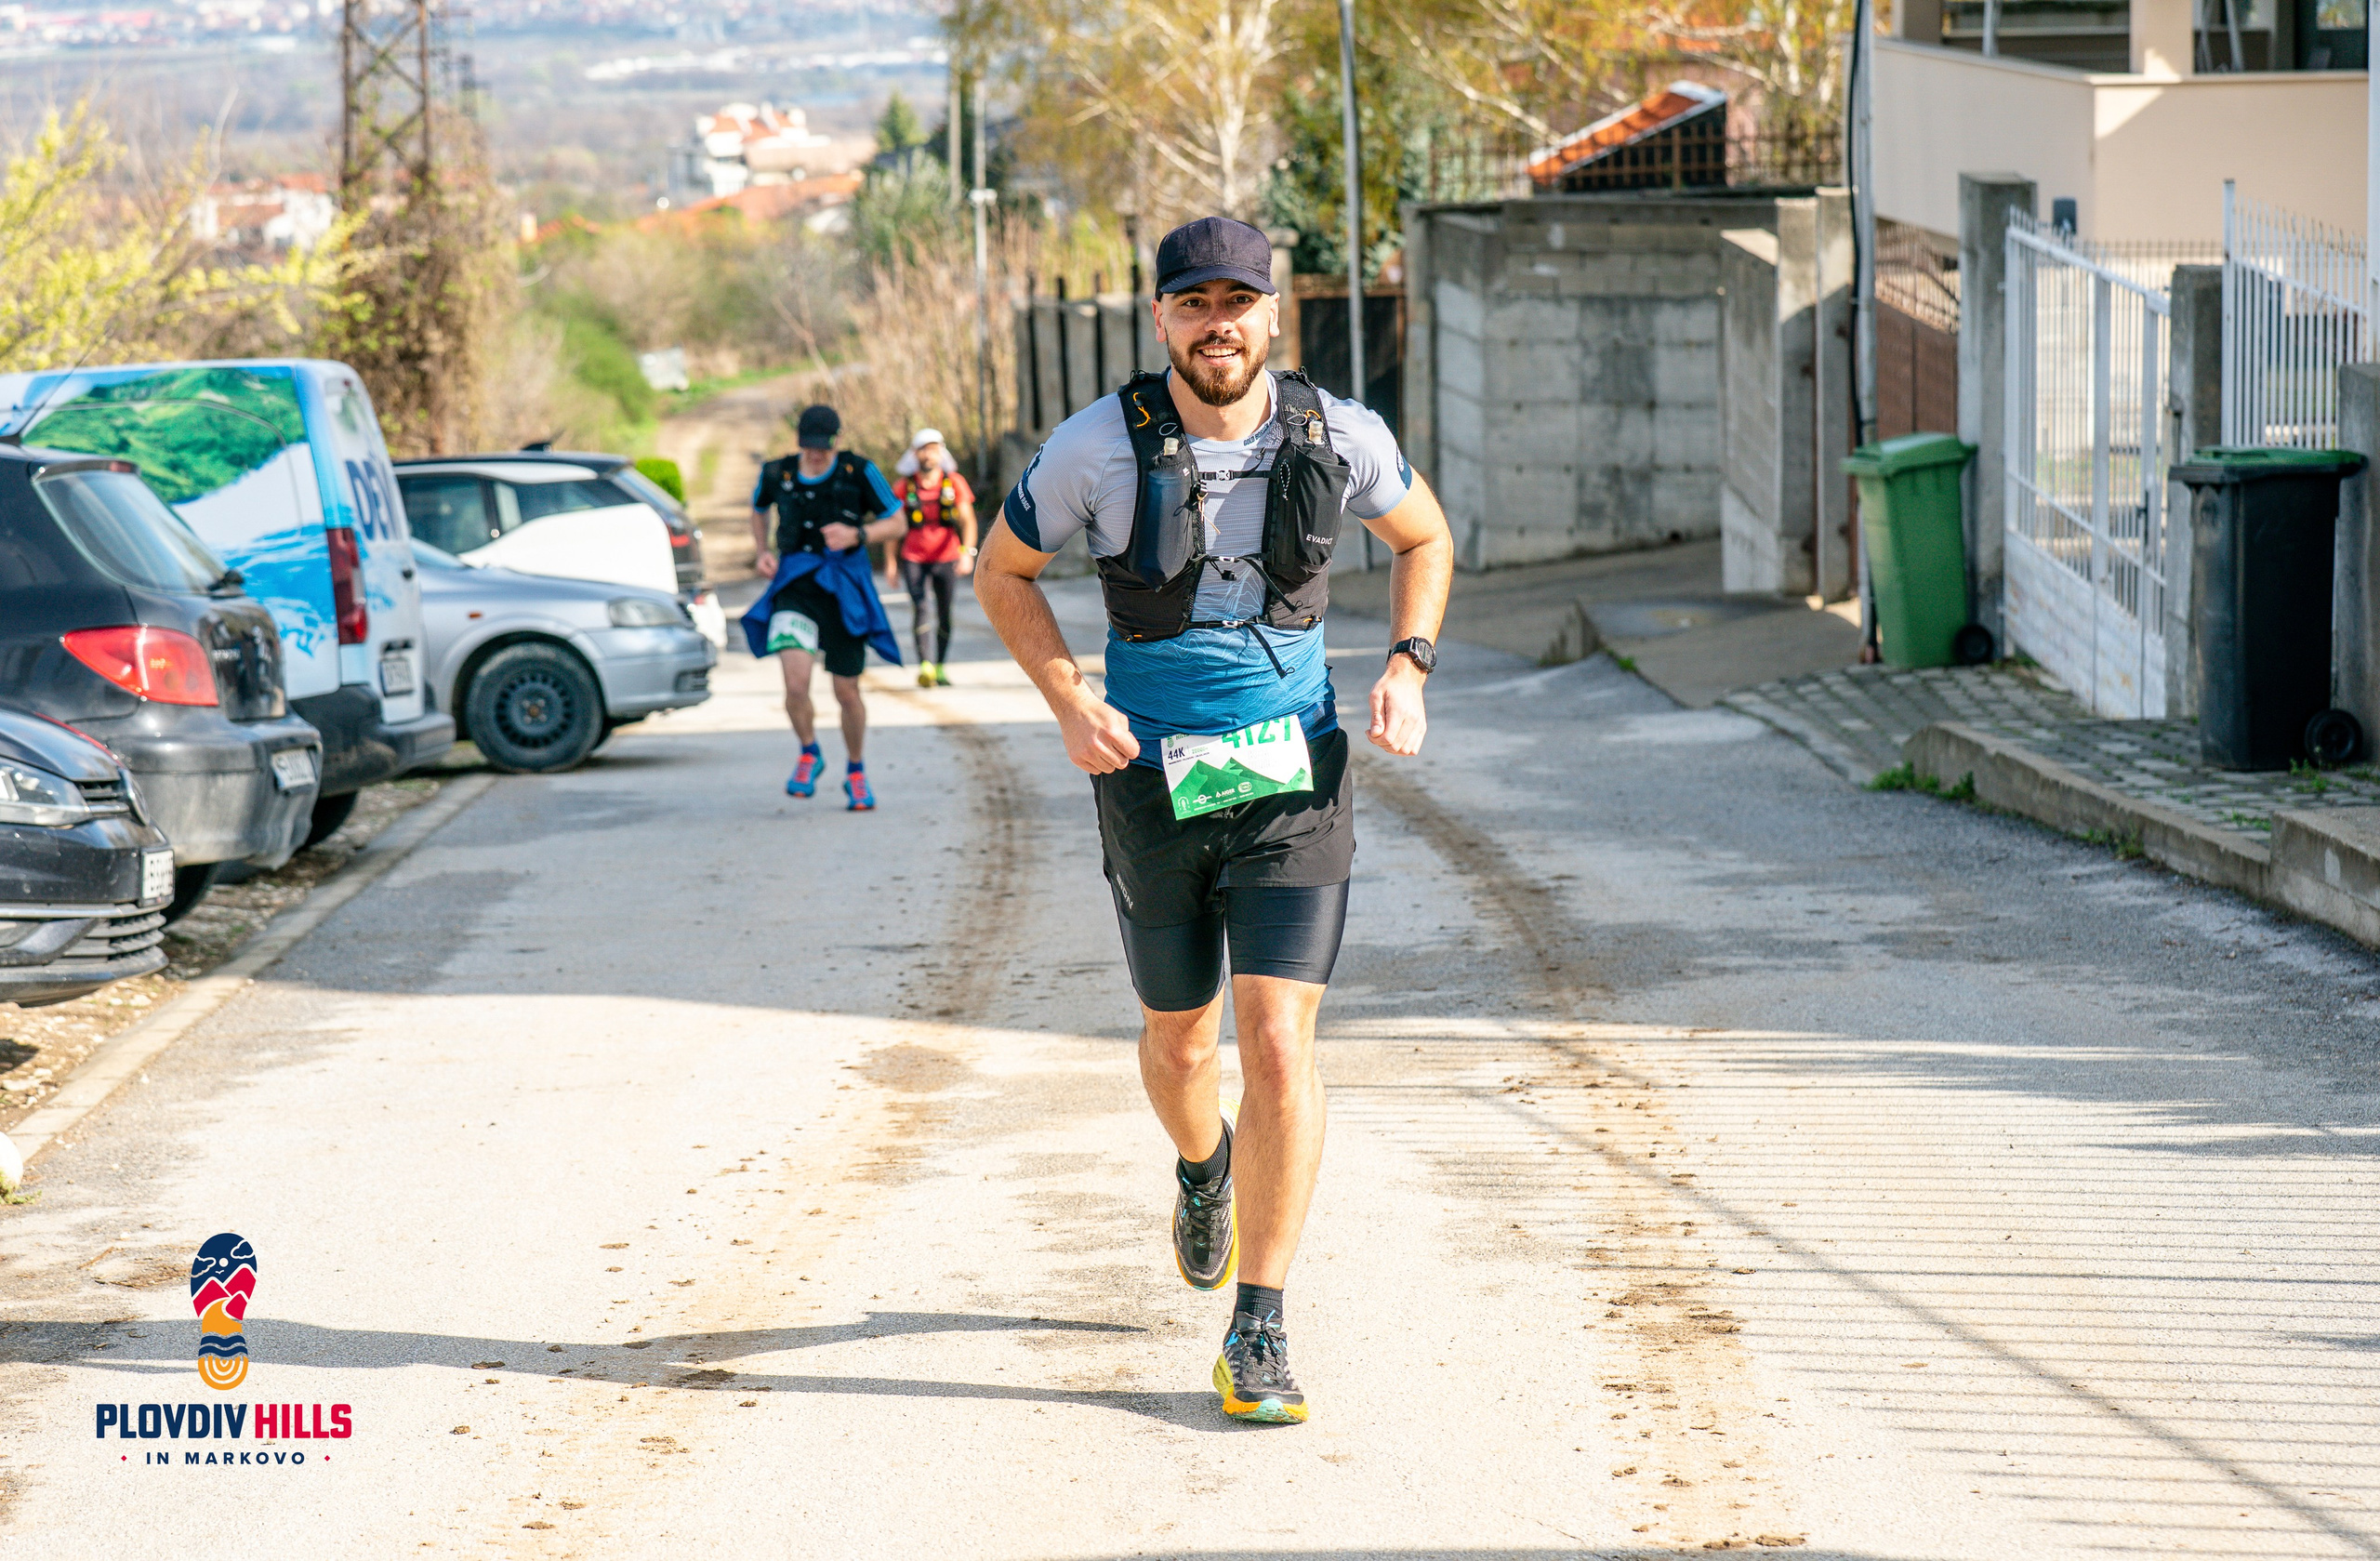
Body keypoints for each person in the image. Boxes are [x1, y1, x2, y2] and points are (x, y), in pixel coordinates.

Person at [974, 216, 1452, 1424]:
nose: (1217, 323)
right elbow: (1001, 570)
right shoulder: (1097, 446)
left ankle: (1262, 1323)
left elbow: (1423, 536)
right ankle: (1203, 1168)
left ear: (1272, 314)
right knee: (1183, 1044)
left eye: (1238, 300)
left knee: (1280, 1040)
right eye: (1194, 303)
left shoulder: (1339, 432)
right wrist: (1068, 695)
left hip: (1293, 766)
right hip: (1150, 776)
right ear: (1164, 319)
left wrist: (1408, 663)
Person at [744, 403, 906, 810]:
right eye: (809, 447)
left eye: (823, 448)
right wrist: (761, 550)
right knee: (795, 684)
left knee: (846, 691)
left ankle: (855, 770)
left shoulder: (858, 471)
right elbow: (758, 507)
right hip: (795, 588)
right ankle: (809, 752)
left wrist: (859, 533)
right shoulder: (776, 473)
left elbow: (898, 522)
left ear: (836, 441)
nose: (816, 455)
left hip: (843, 589)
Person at [892, 428, 978, 687]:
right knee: (920, 607)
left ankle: (940, 665)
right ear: (915, 454)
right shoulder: (903, 487)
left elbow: (968, 521)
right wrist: (891, 563)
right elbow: (893, 527)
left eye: (933, 449)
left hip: (947, 556)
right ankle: (925, 666)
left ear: (941, 452)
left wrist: (967, 553)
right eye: (924, 450)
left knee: (944, 611)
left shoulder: (955, 483)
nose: (929, 455)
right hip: (914, 557)